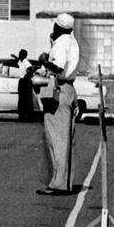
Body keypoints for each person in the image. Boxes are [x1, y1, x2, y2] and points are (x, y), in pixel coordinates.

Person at [36, 13, 81, 196]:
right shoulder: (72, 41)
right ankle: (64, 182)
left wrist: (44, 61)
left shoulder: (61, 43)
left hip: (59, 90)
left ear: (59, 27)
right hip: (69, 89)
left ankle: (57, 183)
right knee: (65, 139)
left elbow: (59, 68)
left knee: (56, 139)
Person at [14, 48, 35, 121]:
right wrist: (15, 57)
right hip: (22, 80)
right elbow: (18, 61)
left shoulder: (26, 61)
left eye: (21, 54)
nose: (19, 55)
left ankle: (28, 117)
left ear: (24, 55)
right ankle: (22, 116)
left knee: (27, 99)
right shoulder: (21, 61)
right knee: (22, 99)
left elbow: (31, 69)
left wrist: (26, 76)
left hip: (25, 81)